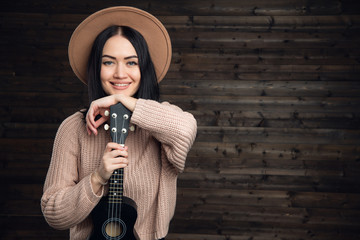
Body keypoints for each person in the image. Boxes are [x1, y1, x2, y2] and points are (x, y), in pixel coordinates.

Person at [41, 6, 197, 240]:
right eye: (109, 62)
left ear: (144, 68)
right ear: (97, 67)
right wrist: (97, 177)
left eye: (131, 62)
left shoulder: (160, 123)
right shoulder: (73, 128)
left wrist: (121, 100)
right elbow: (53, 213)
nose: (120, 73)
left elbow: (186, 129)